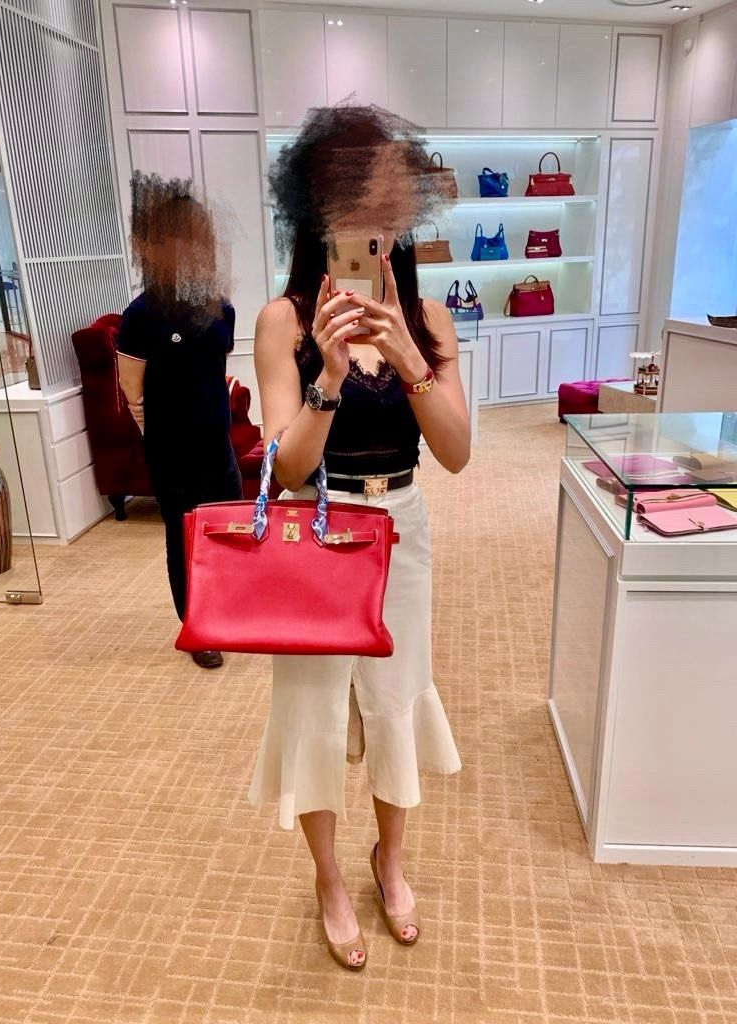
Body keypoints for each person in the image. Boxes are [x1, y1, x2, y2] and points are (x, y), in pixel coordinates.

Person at [248, 106, 470, 970]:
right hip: (318, 530)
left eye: (382, 208)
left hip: (402, 530)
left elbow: (455, 453)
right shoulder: (283, 321)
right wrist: (330, 377)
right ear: (316, 217)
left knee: (395, 700)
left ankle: (391, 861)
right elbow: (284, 470)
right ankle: (329, 878)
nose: (366, 227)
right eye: (348, 206)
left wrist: (410, 359)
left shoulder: (428, 318)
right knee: (312, 710)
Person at [116, 177, 242, 669]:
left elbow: (216, 370)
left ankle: (226, 611)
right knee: (183, 536)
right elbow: (132, 391)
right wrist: (160, 439)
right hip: (171, 448)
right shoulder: (140, 315)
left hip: (217, 442)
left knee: (227, 527)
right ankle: (197, 627)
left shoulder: (220, 308)